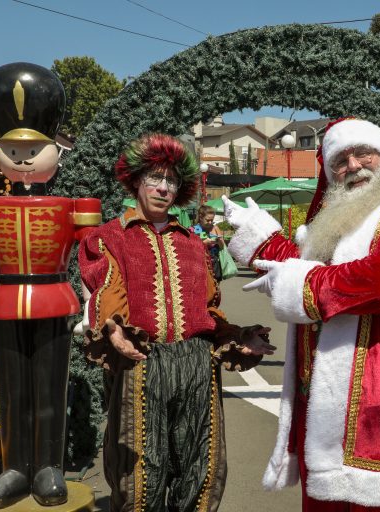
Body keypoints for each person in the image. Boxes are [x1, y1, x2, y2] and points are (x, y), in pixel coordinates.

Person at [223, 118, 380, 511]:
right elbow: (306, 268)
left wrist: (301, 282)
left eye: (363, 152)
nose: (353, 165)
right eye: (340, 160)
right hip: (322, 411)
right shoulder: (334, 225)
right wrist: (262, 238)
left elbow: (378, 281)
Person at [77, 133, 276, 512]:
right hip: (142, 363)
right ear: (136, 180)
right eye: (155, 177)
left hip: (196, 364)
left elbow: (209, 311)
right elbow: (108, 293)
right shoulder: (109, 238)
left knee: (199, 464)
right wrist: (114, 331)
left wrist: (239, 338)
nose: (163, 188)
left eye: (171, 181)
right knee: (141, 468)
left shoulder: (193, 244)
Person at [0, 62, 100, 508]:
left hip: (56, 299)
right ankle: (16, 467)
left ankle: (49, 465)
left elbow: (93, 255)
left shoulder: (77, 205)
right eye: (13, 150)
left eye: (33, 149)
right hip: (5, 300)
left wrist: (94, 301)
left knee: (52, 388)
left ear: (56, 149)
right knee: (11, 390)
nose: (23, 158)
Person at [194, 204, 225, 281]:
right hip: (200, 263)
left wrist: (219, 241)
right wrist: (204, 243)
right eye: (207, 220)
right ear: (201, 217)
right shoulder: (194, 229)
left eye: (212, 220)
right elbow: (191, 248)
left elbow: (222, 247)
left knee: (216, 287)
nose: (210, 222)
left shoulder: (215, 228)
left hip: (215, 263)